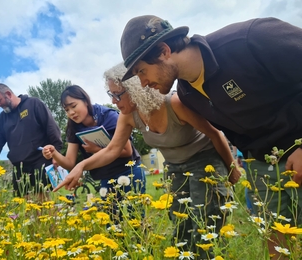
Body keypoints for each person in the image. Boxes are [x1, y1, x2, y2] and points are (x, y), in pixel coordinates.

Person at [119, 15, 302, 257]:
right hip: (261, 164)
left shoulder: (251, 39)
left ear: (163, 51)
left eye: (142, 71)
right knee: (275, 239)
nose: (142, 83)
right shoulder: (187, 95)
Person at [53, 63, 240, 256]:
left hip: (205, 161)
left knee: (207, 223)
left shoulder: (173, 103)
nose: (114, 102)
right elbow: (112, 150)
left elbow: (215, 134)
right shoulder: (128, 116)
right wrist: (81, 166)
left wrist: (232, 168)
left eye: (118, 95)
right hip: (175, 167)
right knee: (181, 224)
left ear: (136, 88)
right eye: (111, 95)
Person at [42, 85, 145, 205]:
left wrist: (96, 149)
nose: (71, 112)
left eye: (73, 106)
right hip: (106, 177)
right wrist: (54, 153)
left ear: (85, 101)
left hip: (129, 171)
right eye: (67, 110)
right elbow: (70, 163)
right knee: (111, 219)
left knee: (136, 215)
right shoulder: (73, 127)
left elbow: (127, 151)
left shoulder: (108, 116)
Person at [0, 83, 63, 200]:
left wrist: (56, 154)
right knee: (22, 208)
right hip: (20, 167)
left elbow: (51, 128)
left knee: (45, 203)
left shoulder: (33, 104)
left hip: (41, 162)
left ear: (8, 94)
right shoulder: (2, 119)